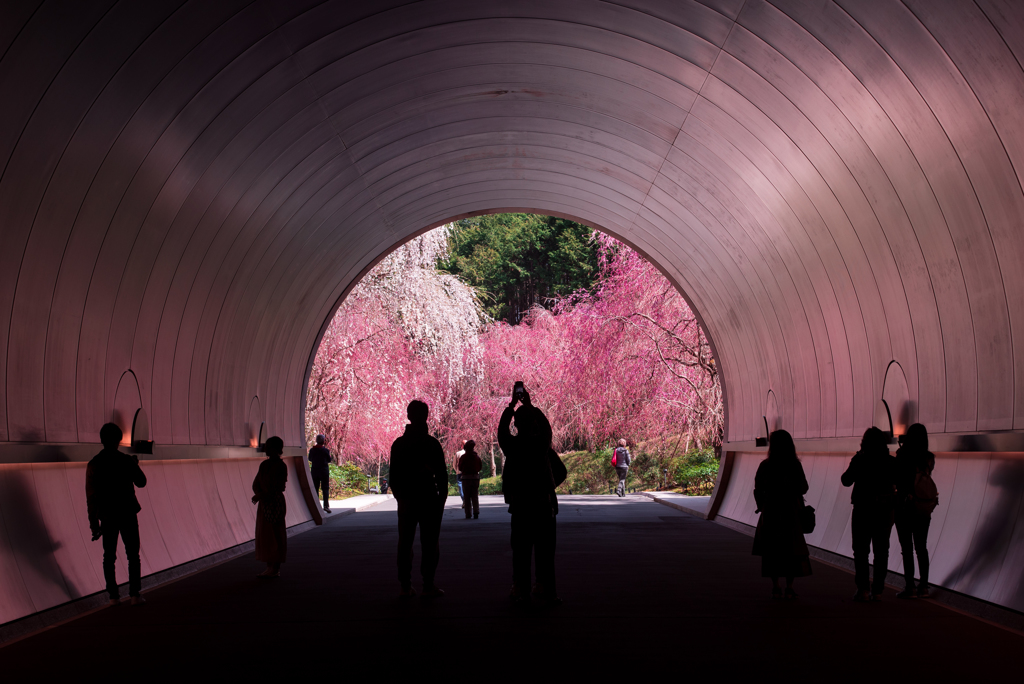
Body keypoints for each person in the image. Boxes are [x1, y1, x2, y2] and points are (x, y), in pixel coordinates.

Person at [499, 385, 567, 606]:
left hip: (520, 506)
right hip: (542, 504)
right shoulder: (541, 446)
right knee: (546, 551)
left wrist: (511, 406)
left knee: (520, 550)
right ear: (535, 424)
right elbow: (547, 428)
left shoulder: (512, 447)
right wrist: (528, 404)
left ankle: (521, 590)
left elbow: (501, 432)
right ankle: (548, 590)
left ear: (516, 425)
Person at [389, 400, 448, 598]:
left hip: (407, 498)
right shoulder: (432, 444)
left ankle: (405, 585)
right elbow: (442, 476)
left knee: (405, 542)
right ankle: (428, 584)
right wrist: (441, 500)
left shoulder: (399, 444)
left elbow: (393, 476)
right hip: (429, 498)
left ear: (408, 415)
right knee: (430, 543)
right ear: (427, 416)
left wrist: (400, 497)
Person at [86, 423, 148, 606]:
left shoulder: (94, 464)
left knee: (109, 556)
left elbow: (91, 497)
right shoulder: (126, 461)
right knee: (132, 555)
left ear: (101, 440)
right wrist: (135, 465)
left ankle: (113, 596)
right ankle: (135, 594)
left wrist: (93, 524)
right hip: (127, 512)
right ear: (119, 440)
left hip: (107, 515)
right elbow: (142, 482)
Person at [752, 429, 811, 599]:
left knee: (773, 550)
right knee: (792, 549)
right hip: (791, 512)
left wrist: (762, 506)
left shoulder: (766, 465)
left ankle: (776, 585)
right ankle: (790, 586)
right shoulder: (794, 465)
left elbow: (758, 489)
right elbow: (804, 487)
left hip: (771, 512)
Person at [841, 427, 896, 601]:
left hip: (862, 509)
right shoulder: (890, 461)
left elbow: (846, 480)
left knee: (861, 550)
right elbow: (900, 481)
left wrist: (857, 459)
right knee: (881, 551)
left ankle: (863, 589)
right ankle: (878, 590)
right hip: (884, 509)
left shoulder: (860, 459)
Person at [894, 424, 937, 599]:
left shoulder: (902, 455)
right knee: (921, 547)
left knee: (907, 548)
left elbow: (897, 478)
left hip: (904, 507)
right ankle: (924, 586)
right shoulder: (928, 458)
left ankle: (910, 587)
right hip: (923, 508)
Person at [252, 436, 288, 578]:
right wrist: (262, 494)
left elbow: (276, 486)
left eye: (268, 446)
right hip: (269, 501)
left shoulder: (273, 466)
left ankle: (274, 566)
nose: (265, 449)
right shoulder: (273, 465)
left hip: (272, 503)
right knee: (268, 534)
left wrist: (260, 495)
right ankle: (271, 566)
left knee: (273, 533)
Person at [308, 434, 333, 513]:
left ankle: (316, 506)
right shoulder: (325, 450)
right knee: (325, 488)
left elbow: (310, 459)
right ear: (323, 441)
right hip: (324, 471)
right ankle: (326, 506)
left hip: (315, 470)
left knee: (315, 488)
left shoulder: (312, 450)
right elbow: (329, 460)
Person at [459, 440, 483, 519]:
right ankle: (476, 511)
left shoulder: (463, 457)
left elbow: (460, 467)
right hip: (475, 477)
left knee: (467, 496)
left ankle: (468, 513)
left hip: (466, 478)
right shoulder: (476, 457)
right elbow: (479, 467)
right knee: (474, 495)